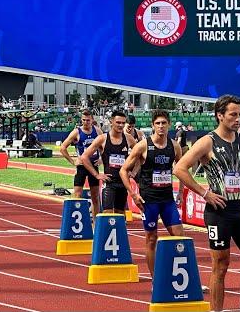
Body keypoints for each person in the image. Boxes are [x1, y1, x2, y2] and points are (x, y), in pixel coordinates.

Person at [174, 94, 240, 312]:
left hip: (239, 209)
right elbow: (179, 169)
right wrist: (204, 194)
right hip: (218, 211)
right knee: (221, 266)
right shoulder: (207, 142)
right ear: (220, 116)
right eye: (233, 115)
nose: (238, 119)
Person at [119, 110, 185, 278]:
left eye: (164, 123)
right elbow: (123, 171)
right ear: (152, 126)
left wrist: (181, 192)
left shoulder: (174, 146)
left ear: (169, 124)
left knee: (180, 237)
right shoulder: (143, 146)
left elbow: (182, 169)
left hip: (167, 199)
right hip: (149, 201)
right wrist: (133, 194)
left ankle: (183, 277)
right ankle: (156, 279)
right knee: (151, 239)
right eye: (158, 123)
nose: (161, 126)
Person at [81, 110, 137, 215]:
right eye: (118, 122)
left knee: (120, 216)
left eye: (123, 123)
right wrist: (96, 175)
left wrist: (134, 172)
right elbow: (84, 157)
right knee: (107, 214)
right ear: (111, 122)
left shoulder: (129, 139)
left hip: (123, 183)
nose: (121, 125)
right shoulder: (102, 139)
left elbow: (140, 156)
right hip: (109, 183)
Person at [59, 109, 103, 220]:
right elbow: (63, 148)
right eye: (83, 120)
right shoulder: (76, 132)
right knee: (77, 195)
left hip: (93, 166)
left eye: (88, 120)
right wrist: (73, 161)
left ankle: (95, 224)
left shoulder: (97, 131)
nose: (85, 122)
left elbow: (104, 147)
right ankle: (76, 221)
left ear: (92, 120)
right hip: (82, 167)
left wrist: (101, 159)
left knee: (95, 197)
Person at [174, 122, 189, 205]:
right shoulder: (183, 131)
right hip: (184, 148)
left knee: (180, 166)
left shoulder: (179, 132)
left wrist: (177, 149)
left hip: (182, 149)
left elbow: (179, 141)